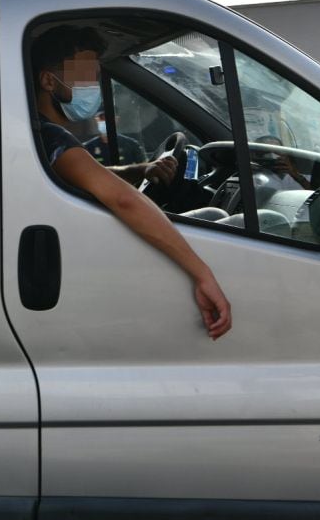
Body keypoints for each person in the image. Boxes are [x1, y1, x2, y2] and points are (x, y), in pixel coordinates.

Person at [32, 26, 232, 339]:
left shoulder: (43, 136)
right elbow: (123, 200)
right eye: (85, 76)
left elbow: (90, 173)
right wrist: (202, 273)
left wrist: (140, 170)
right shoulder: (50, 138)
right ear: (48, 81)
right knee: (220, 219)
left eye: (95, 77)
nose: (93, 87)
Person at [82, 111, 146, 165]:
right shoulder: (87, 147)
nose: (105, 122)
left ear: (116, 119)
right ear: (96, 120)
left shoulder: (131, 145)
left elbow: (144, 167)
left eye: (109, 118)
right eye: (102, 119)